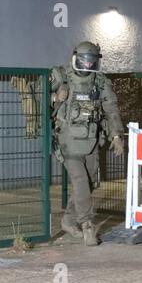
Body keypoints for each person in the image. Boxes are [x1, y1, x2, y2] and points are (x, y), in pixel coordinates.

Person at [50, 41, 125, 246]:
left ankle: (67, 220)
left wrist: (116, 135)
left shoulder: (100, 82)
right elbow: (39, 105)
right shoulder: (61, 77)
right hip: (68, 142)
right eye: (84, 60)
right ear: (75, 58)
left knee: (89, 183)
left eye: (92, 61)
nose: (88, 64)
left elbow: (111, 110)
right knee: (80, 181)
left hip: (91, 141)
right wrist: (55, 98)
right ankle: (87, 225)